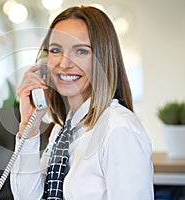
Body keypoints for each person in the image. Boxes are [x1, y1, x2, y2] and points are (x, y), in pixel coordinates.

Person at [10, 5, 154, 200]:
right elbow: (27, 197)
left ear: (102, 59)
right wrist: (29, 128)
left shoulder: (118, 128)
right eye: (55, 50)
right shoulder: (62, 130)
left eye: (81, 51)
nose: (64, 63)